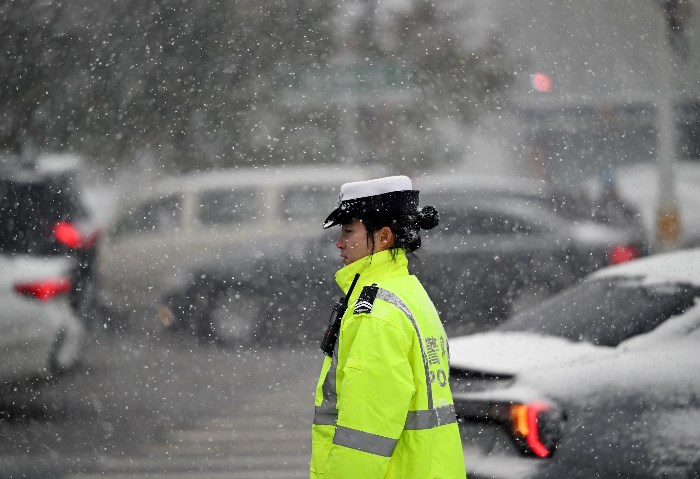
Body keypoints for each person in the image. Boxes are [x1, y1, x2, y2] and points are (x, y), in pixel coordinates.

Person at [310, 175, 466, 478]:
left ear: (383, 237)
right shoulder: (410, 293)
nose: (339, 242)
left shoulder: (376, 316)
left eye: (348, 231)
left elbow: (363, 438)